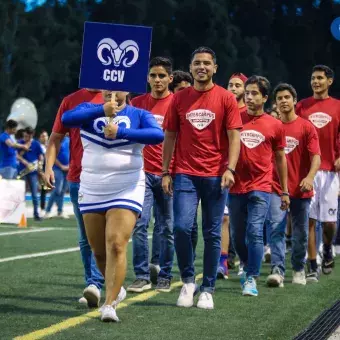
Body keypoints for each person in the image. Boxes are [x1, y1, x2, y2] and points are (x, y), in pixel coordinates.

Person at [62, 90, 164, 322]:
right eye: (106, 86)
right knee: (98, 250)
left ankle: (109, 304)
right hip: (92, 185)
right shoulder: (88, 110)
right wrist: (102, 110)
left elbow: (157, 135)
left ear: (127, 89)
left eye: (118, 87)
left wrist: (122, 132)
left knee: (116, 244)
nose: (112, 90)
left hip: (127, 185)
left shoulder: (139, 113)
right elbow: (67, 119)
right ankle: (116, 287)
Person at [162, 46, 242, 309]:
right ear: (191, 65)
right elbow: (170, 136)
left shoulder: (226, 99)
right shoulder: (179, 98)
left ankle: (207, 287)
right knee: (181, 228)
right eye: (197, 63)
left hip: (217, 175)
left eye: (207, 63)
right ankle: (187, 280)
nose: (202, 67)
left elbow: (234, 136)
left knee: (211, 233)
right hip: (184, 173)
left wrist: (230, 168)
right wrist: (165, 171)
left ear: (215, 68)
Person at [228, 75, 289, 297]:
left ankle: (251, 277)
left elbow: (281, 159)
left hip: (261, 186)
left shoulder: (275, 125)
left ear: (264, 97)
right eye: (248, 92)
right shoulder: (234, 118)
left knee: (254, 232)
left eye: (254, 93)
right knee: (237, 235)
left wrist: (283, 191)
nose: (249, 96)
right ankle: (245, 264)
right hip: (235, 186)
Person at [44, 89, 105, 307]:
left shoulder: (119, 96)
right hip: (78, 177)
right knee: (85, 236)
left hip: (110, 178)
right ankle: (94, 283)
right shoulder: (70, 100)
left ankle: (98, 282)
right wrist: (48, 167)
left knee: (107, 234)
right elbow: (56, 137)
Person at [266, 83, 321, 288]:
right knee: (276, 228)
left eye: (287, 97)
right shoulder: (271, 126)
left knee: (300, 232)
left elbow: (316, 156)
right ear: (275, 103)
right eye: (279, 98)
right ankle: (278, 270)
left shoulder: (307, 127)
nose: (283, 101)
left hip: (301, 188)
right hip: (275, 187)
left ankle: (298, 268)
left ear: (295, 100)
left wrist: (309, 177)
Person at [128, 57, 175, 293]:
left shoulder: (178, 103)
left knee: (166, 227)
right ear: (147, 78)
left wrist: (173, 170)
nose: (157, 80)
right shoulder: (136, 103)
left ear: (170, 78)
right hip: (142, 172)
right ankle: (141, 276)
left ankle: (165, 275)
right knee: (140, 224)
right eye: (153, 76)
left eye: (162, 76)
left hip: (169, 173)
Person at [296, 65, 340, 281]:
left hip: (331, 171)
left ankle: (328, 246)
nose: (316, 82)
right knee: (310, 220)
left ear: (329, 81)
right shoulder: (301, 106)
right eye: (313, 78)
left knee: (329, 222)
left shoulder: (338, 106)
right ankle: (312, 264)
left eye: (320, 78)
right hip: (307, 172)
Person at [217, 72, 249, 279]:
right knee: (225, 218)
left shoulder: (249, 113)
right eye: (230, 84)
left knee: (243, 224)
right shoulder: (222, 110)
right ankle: (223, 262)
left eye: (238, 85)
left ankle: (244, 259)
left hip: (247, 176)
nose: (233, 88)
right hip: (223, 171)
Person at [17, 127, 44, 221]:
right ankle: (20, 214)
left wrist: (40, 166)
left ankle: (36, 214)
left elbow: (40, 156)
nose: (26, 137)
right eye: (25, 136)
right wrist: (26, 163)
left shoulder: (36, 143)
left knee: (34, 194)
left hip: (33, 172)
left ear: (31, 135)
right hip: (22, 171)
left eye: (28, 136)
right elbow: (17, 155)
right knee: (21, 194)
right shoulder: (20, 142)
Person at [44, 134, 70, 219]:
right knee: (57, 190)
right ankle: (47, 211)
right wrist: (62, 166)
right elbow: (51, 155)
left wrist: (69, 165)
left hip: (67, 168)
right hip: (57, 168)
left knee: (62, 191)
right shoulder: (54, 140)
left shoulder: (69, 140)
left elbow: (73, 154)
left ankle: (60, 211)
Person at [38, 130, 49, 211]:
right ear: (39, 138)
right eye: (42, 136)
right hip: (42, 168)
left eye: (45, 136)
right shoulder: (38, 147)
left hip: (52, 168)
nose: (44, 138)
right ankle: (42, 207)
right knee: (43, 189)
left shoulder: (50, 145)